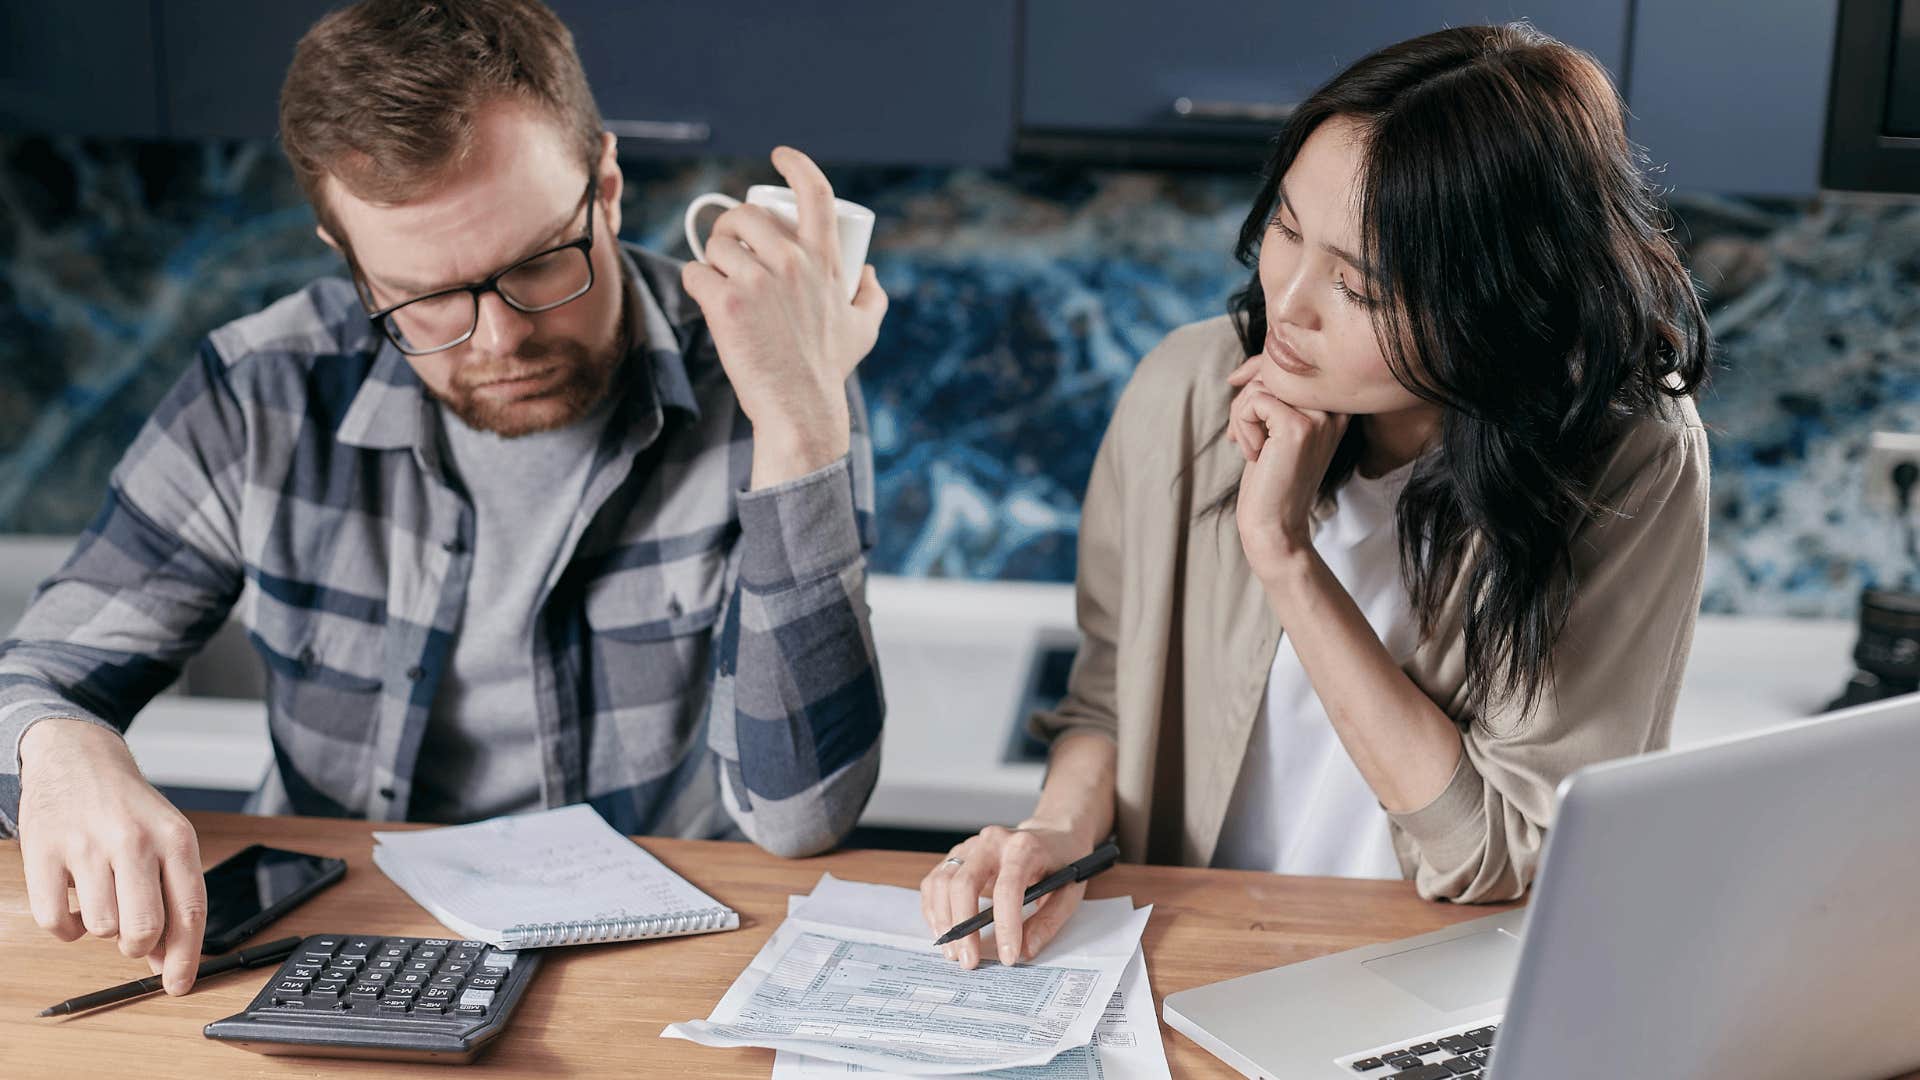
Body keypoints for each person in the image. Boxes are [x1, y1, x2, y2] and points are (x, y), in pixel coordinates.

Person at [0, 0, 888, 996]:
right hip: (333, 954)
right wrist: (58, 747)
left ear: (604, 185)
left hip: (651, 971)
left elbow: (803, 813)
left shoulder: (770, 374)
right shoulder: (261, 389)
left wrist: (801, 423)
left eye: (537, 263)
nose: (499, 342)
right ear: (349, 262)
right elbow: (36, 677)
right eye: (425, 300)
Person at [922, 22, 1711, 969]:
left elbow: (1495, 851)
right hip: (1193, 957)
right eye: (1287, 229)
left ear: (1496, 305)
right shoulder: (1186, 388)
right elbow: (1109, 698)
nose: (1288, 303)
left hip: (1430, 982)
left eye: (1359, 286)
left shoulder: (1626, 461)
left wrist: (1284, 554)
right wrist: (1054, 833)